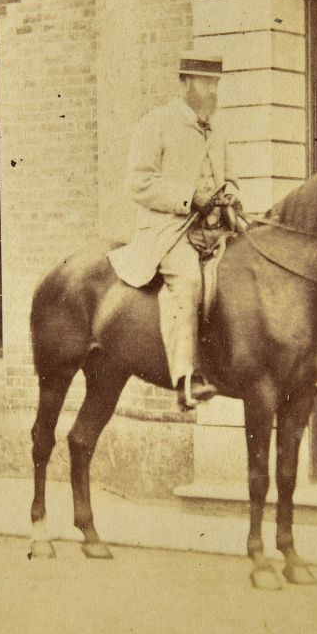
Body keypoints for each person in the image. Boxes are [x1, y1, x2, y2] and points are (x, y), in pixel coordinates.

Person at [108, 52, 236, 409]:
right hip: (169, 230)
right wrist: (189, 197)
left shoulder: (218, 129)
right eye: (204, 82)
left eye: (215, 84)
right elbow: (137, 182)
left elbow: (231, 179)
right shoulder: (157, 124)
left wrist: (231, 198)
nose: (212, 91)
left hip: (215, 229)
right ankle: (186, 379)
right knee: (188, 281)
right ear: (184, 82)